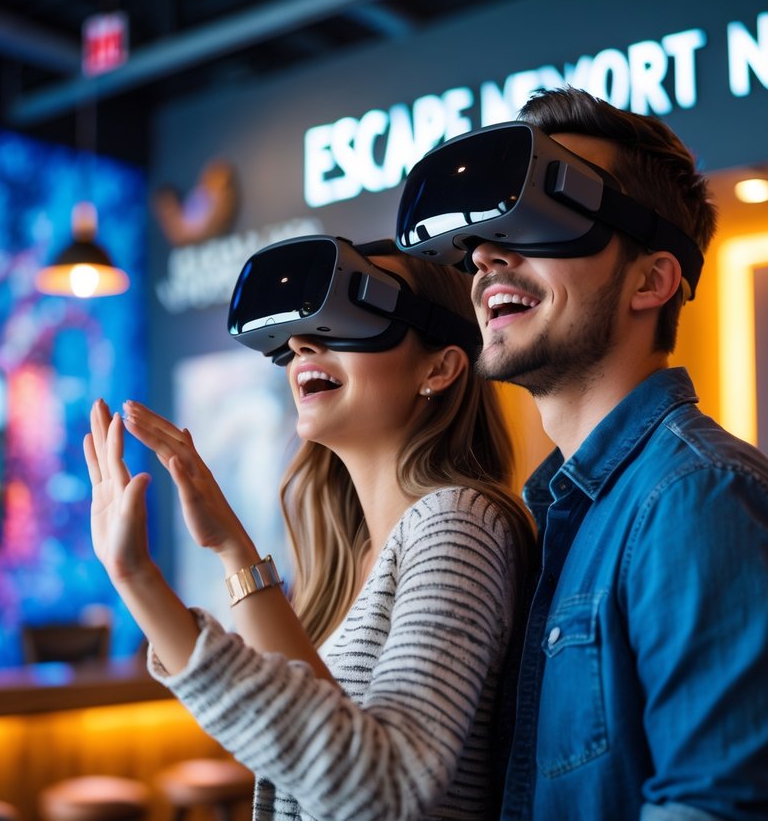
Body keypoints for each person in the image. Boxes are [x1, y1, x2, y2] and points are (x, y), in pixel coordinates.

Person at [395, 87, 768, 820]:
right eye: (479, 243)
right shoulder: (559, 516)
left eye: (539, 219)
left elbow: (721, 809)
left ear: (652, 279)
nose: (484, 256)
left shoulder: (698, 499)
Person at [83, 236, 534, 821]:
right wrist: (230, 545)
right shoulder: (359, 554)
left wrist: (138, 579)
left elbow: (385, 789)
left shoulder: (456, 525)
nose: (301, 343)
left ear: (440, 367)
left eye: (352, 312)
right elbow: (318, 733)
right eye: (297, 332)